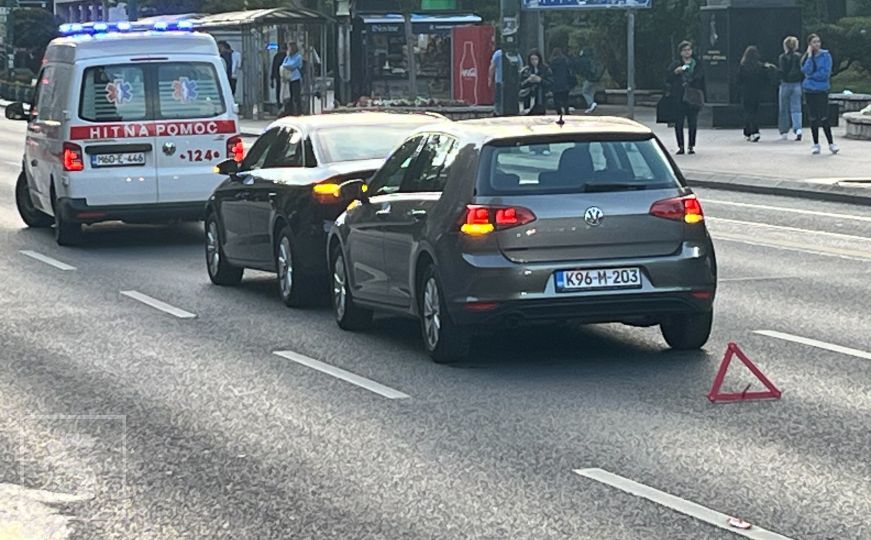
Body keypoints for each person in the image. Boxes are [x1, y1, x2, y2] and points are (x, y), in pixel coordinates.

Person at [665, 41, 706, 155]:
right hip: (679, 96)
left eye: (689, 50)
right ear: (681, 52)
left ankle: (691, 145)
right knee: (679, 122)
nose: (687, 52)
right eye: (684, 50)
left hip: (692, 96)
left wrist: (691, 78)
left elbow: (701, 77)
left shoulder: (697, 63)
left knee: (692, 121)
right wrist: (675, 73)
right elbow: (668, 78)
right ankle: (681, 145)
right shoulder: (676, 64)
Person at [802, 34, 838, 154]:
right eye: (814, 42)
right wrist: (810, 57)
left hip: (821, 89)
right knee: (813, 118)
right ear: (809, 45)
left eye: (818, 42)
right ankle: (816, 143)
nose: (816, 44)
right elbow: (806, 70)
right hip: (809, 90)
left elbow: (824, 73)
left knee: (824, 117)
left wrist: (811, 76)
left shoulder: (826, 56)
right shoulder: (808, 57)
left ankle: (831, 143)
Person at [738, 46, 775, 142]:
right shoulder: (760, 66)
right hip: (756, 92)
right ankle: (753, 131)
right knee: (754, 112)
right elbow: (765, 79)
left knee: (747, 112)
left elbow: (739, 80)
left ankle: (749, 131)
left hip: (746, 92)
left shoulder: (742, 66)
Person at [778, 36, 804, 141]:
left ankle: (784, 131)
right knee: (796, 108)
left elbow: (781, 71)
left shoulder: (782, 57)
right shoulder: (799, 57)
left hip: (785, 84)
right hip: (796, 84)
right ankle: (798, 129)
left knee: (783, 109)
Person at [519, 50, 552, 116]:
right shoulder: (526, 70)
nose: (534, 61)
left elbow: (550, 83)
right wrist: (528, 80)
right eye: (532, 59)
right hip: (528, 97)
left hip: (540, 98)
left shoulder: (545, 69)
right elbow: (520, 85)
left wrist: (540, 80)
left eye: (536, 59)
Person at [575, 47, 604, 113]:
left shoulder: (584, 60)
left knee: (585, 91)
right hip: (596, 78)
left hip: (590, 78)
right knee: (591, 92)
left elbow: (582, 70)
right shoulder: (592, 59)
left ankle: (591, 104)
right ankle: (591, 106)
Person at [549, 47, 575, 117]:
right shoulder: (565, 61)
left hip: (556, 84)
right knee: (565, 99)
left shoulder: (552, 62)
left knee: (557, 99)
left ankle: (559, 112)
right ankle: (566, 111)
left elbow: (550, 73)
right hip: (565, 83)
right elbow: (569, 71)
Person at [281, 42, 303, 116]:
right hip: (288, 79)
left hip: (295, 79)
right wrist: (286, 65)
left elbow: (292, 65)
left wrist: (286, 66)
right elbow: (283, 64)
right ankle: (290, 112)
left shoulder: (298, 57)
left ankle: (298, 112)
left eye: (289, 48)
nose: (288, 49)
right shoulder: (288, 57)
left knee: (296, 97)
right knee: (289, 97)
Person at [270, 45, 287, 110]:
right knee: (283, 93)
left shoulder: (277, 56)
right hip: (284, 78)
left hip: (279, 77)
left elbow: (274, 67)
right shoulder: (287, 56)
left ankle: (280, 106)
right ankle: (283, 106)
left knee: (279, 92)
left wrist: (271, 78)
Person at [489, 48, 503, 116]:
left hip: (499, 81)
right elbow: (520, 66)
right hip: (511, 82)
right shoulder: (515, 53)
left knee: (498, 99)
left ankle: (497, 112)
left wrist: (490, 79)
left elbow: (492, 67)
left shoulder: (498, 53)